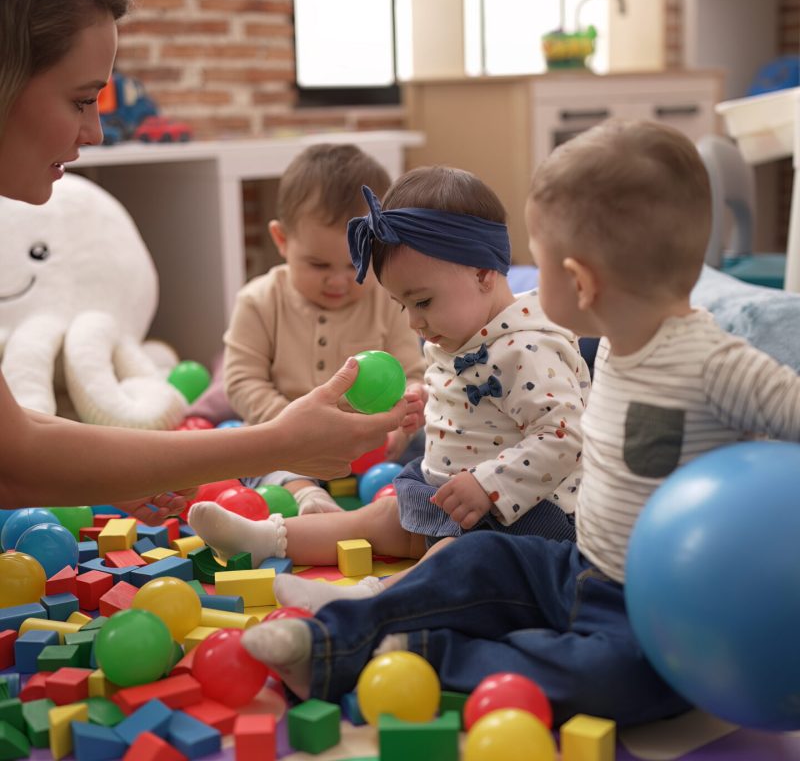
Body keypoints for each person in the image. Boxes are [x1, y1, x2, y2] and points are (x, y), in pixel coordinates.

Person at [237, 119, 800, 728]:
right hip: (579, 565)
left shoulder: (717, 364)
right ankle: (331, 638)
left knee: (618, 682)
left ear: (580, 281)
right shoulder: (614, 343)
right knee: (470, 560)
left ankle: (416, 652)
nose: (520, 274)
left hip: (658, 610)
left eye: (539, 260)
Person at [0, 0, 405, 525]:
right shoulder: (262, 301)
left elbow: (16, 435)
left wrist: (113, 470)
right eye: (80, 99)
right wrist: (279, 443)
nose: (93, 132)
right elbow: (15, 462)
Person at [188, 166, 588, 612]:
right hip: (449, 496)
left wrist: (489, 484)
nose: (413, 322)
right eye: (402, 305)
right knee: (381, 515)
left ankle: (366, 601)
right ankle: (266, 538)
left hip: (523, 516)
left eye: (422, 302)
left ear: (482, 274)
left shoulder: (529, 348)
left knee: (458, 557)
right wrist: (422, 402)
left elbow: (564, 436)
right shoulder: (461, 329)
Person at [223, 143, 426, 514]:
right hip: (288, 440)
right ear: (282, 241)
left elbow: (413, 373)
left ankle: (408, 501)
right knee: (250, 455)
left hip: (372, 444)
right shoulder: (259, 301)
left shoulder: (388, 300)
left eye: (355, 265)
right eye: (318, 265)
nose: (338, 281)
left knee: (433, 444)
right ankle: (308, 497)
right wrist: (290, 428)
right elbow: (242, 381)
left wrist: (403, 421)